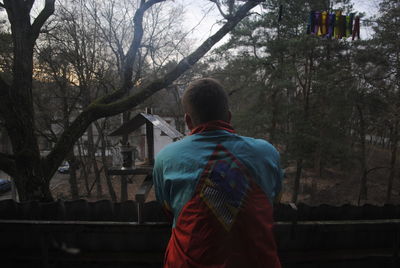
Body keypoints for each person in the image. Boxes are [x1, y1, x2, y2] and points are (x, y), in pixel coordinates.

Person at [153, 78, 283, 268]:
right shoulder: (267, 153)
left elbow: (168, 211)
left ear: (188, 121)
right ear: (229, 116)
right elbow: (274, 204)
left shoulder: (166, 158)